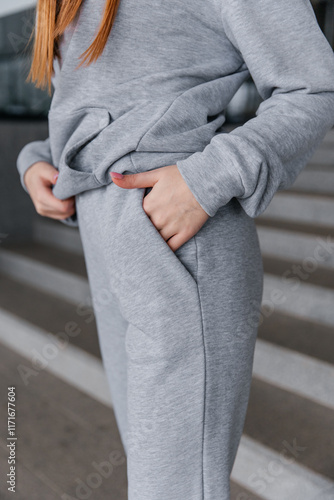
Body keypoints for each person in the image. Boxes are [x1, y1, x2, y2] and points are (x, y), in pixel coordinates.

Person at [17, 0, 334, 499]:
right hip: (106, 239)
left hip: (178, 238)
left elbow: (314, 85)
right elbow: (98, 102)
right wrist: (37, 159)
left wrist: (209, 177)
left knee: (174, 489)